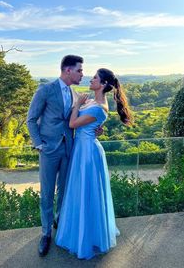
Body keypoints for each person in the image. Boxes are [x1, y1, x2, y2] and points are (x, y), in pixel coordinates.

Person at [55, 68, 133, 260]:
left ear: (104, 84)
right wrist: (94, 126)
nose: (91, 79)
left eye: (95, 78)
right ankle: (81, 230)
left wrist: (77, 105)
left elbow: (73, 124)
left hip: (88, 152)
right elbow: (88, 125)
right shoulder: (93, 101)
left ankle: (87, 237)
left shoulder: (99, 107)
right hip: (83, 147)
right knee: (81, 191)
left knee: (87, 191)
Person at [26, 55, 84, 257]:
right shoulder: (45, 90)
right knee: (47, 193)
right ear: (67, 70)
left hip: (68, 148)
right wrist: (39, 144)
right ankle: (45, 233)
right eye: (79, 70)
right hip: (49, 150)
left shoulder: (75, 94)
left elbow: (76, 120)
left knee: (65, 190)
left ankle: (60, 221)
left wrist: (96, 129)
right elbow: (31, 119)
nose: (82, 74)